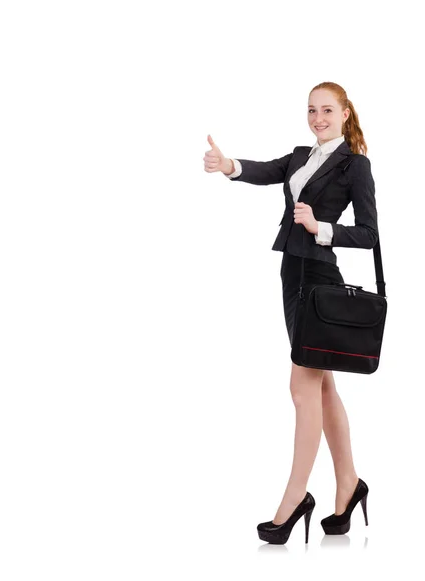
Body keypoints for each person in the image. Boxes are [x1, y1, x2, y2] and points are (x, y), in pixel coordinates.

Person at [203, 81, 375, 544]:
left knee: (302, 386)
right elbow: (267, 170)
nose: (318, 118)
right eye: (312, 110)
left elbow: (369, 234)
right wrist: (229, 166)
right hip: (292, 277)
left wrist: (321, 228)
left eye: (327, 111)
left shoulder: (355, 165)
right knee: (323, 388)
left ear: (344, 114)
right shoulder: (302, 155)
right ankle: (349, 484)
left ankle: (295, 498)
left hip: (320, 279)